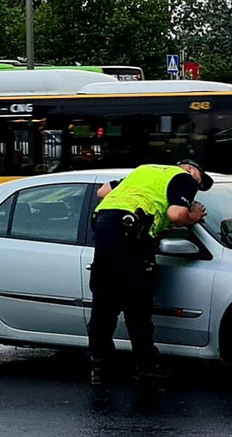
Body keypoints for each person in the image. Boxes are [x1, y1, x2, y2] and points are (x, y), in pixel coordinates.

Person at [86, 160, 213, 385]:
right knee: (137, 301)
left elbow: (102, 191)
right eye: (199, 181)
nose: (195, 188)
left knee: (104, 300)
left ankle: (99, 364)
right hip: (130, 232)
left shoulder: (145, 171)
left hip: (103, 225)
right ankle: (146, 365)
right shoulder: (184, 178)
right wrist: (192, 215)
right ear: (193, 170)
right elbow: (176, 214)